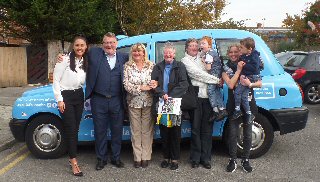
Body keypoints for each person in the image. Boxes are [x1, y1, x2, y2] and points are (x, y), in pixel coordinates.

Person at [86, 32, 129, 170]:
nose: (109, 45)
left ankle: (116, 158)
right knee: (100, 131)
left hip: (117, 100)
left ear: (116, 44)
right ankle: (101, 159)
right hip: (98, 100)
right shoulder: (94, 53)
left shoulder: (124, 57)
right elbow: (77, 52)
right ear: (102, 44)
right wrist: (62, 56)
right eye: (106, 42)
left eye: (111, 42)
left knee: (117, 131)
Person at [221, 44, 262, 173]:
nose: (233, 54)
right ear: (228, 54)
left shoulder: (249, 65)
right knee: (233, 134)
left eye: (236, 52)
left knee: (248, 134)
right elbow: (231, 85)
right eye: (231, 52)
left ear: (240, 53)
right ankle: (232, 159)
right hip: (234, 106)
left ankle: (245, 160)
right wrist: (239, 70)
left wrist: (250, 84)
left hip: (249, 105)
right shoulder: (225, 69)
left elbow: (260, 83)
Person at [181, 38, 220, 169]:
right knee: (196, 129)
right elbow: (197, 75)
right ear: (186, 48)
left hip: (209, 98)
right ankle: (195, 158)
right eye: (191, 46)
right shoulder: (185, 61)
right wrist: (216, 80)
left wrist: (214, 77)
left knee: (207, 129)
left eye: (195, 45)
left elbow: (213, 68)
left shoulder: (203, 56)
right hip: (195, 99)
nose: (194, 47)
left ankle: (206, 159)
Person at [53, 35, 88, 176]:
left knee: (75, 129)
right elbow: (55, 80)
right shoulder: (65, 59)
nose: (80, 48)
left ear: (86, 47)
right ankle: (73, 161)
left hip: (79, 96)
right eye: (77, 45)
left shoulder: (86, 61)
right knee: (71, 129)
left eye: (82, 45)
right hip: (66, 97)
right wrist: (59, 99)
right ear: (73, 46)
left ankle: (71, 156)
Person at [151, 42, 188, 170]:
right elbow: (153, 84)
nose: (168, 54)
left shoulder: (180, 66)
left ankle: (175, 159)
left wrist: (170, 95)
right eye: (166, 52)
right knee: (164, 132)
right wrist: (162, 94)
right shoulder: (158, 67)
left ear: (174, 54)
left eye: (170, 52)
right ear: (163, 54)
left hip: (175, 103)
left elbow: (184, 84)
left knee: (175, 132)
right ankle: (166, 157)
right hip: (162, 103)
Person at [123, 43, 157, 168]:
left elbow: (156, 80)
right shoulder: (127, 66)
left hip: (148, 101)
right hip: (133, 102)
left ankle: (146, 157)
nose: (137, 53)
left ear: (144, 53)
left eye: (139, 51)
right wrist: (142, 87)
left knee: (147, 131)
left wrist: (154, 84)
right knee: (135, 130)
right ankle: (137, 157)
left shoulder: (151, 65)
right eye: (135, 51)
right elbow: (126, 85)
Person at [231, 37, 261, 123]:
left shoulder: (254, 56)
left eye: (241, 48)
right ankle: (248, 113)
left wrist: (242, 66)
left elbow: (254, 68)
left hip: (251, 77)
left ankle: (237, 110)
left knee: (237, 92)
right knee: (244, 97)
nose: (240, 49)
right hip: (247, 76)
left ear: (249, 49)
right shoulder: (245, 55)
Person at [200, 36, 228, 121]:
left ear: (209, 45)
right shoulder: (213, 52)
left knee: (210, 91)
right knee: (216, 92)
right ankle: (222, 109)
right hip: (218, 75)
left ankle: (215, 111)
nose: (201, 45)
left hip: (213, 75)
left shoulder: (208, 54)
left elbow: (208, 68)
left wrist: (203, 61)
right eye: (200, 43)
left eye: (203, 43)